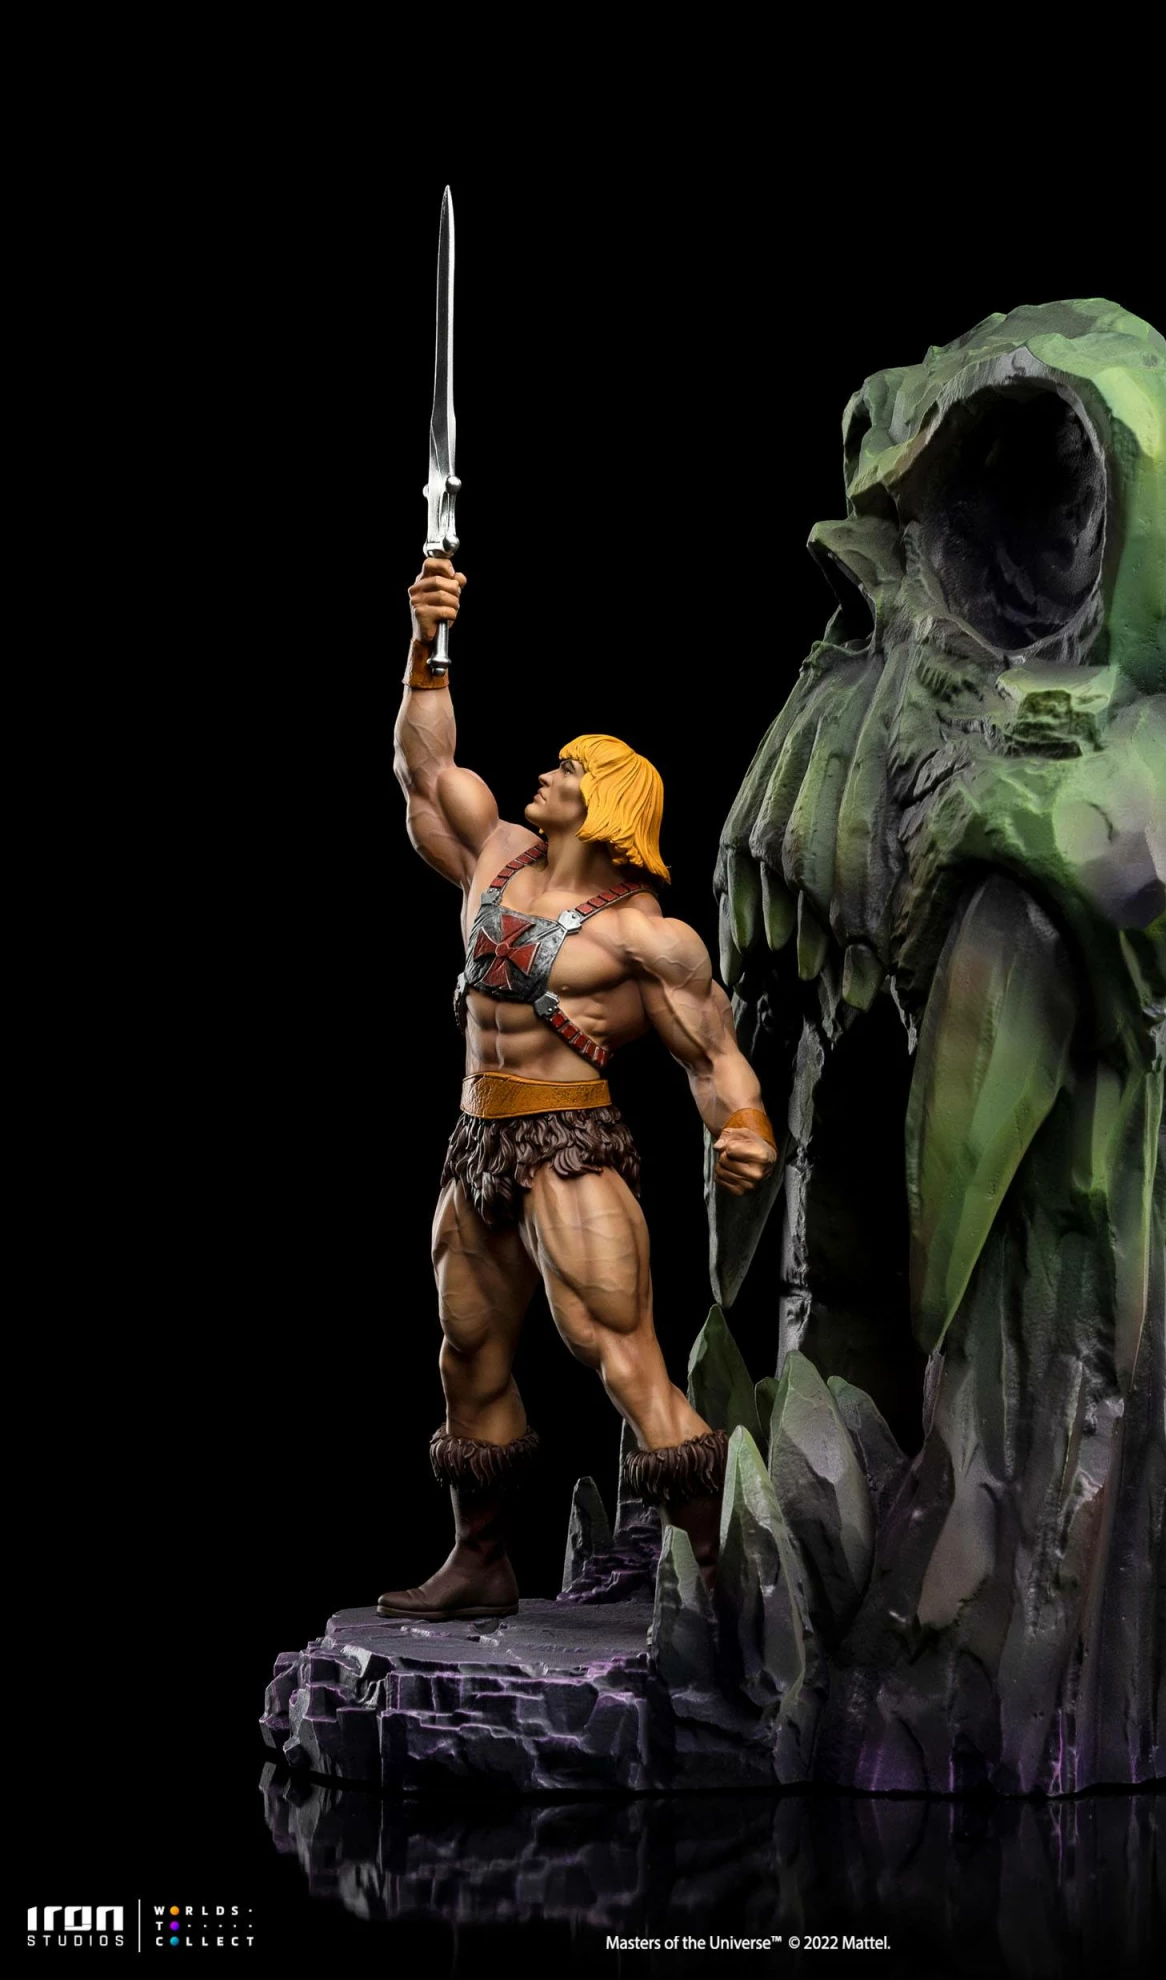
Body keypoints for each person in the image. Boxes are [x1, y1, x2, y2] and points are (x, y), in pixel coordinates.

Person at [377, 556, 777, 1621]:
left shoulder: (643, 937)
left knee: (623, 1358)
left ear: (603, 805)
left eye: (568, 767)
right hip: (476, 1147)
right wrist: (426, 643)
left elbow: (712, 1050)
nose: (546, 774)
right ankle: (482, 1562)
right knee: (468, 1356)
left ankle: (726, 1587)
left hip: (571, 1151)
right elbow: (423, 769)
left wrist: (743, 1124)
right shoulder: (494, 856)